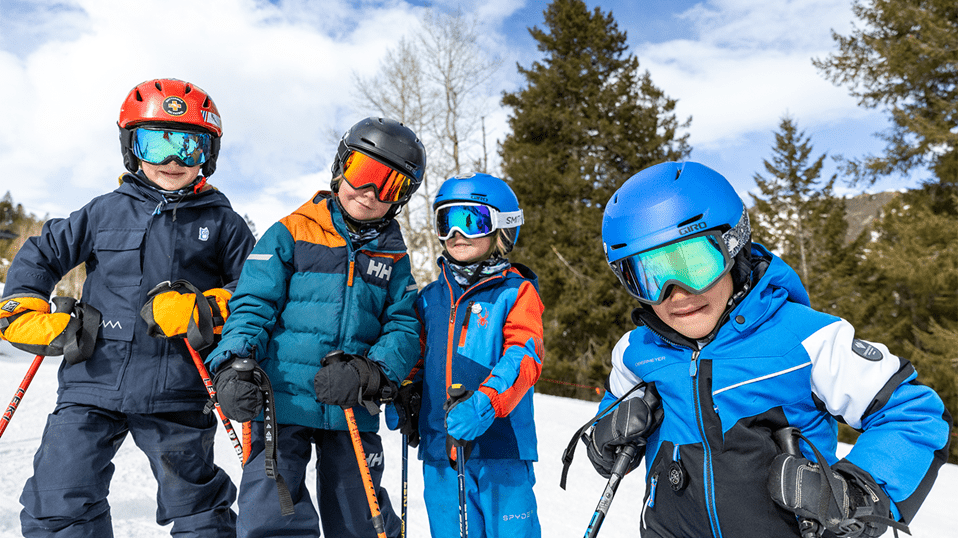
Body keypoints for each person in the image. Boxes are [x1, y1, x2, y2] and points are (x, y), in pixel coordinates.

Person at [580, 161, 952, 537]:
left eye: (694, 265)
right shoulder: (636, 350)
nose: (675, 294)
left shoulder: (806, 339)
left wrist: (857, 494)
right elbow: (615, 405)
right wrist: (605, 436)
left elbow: (914, 415)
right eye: (648, 276)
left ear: (733, 246)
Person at [0, 78, 255, 537]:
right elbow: (41, 252)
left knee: (200, 511)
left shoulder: (224, 224)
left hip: (178, 385)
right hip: (92, 380)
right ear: (131, 147)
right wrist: (22, 307)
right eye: (155, 142)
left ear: (208, 154)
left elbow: (252, 293)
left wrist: (205, 309)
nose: (172, 159)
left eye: (188, 145)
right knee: (58, 502)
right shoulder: (103, 212)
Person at [206, 117, 424, 538]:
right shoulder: (290, 232)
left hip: (351, 405)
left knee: (362, 520)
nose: (370, 192)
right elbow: (252, 305)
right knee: (272, 515)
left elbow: (403, 326)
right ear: (341, 167)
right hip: (281, 402)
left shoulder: (394, 257)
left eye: (390, 185)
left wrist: (371, 372)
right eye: (364, 173)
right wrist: (233, 363)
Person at [390, 173, 545, 538]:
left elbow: (524, 355)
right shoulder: (429, 297)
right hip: (441, 450)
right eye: (447, 221)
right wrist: (407, 391)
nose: (457, 234)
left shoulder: (516, 292)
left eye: (472, 220)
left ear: (502, 228)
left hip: (501, 448)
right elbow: (416, 353)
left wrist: (486, 403)